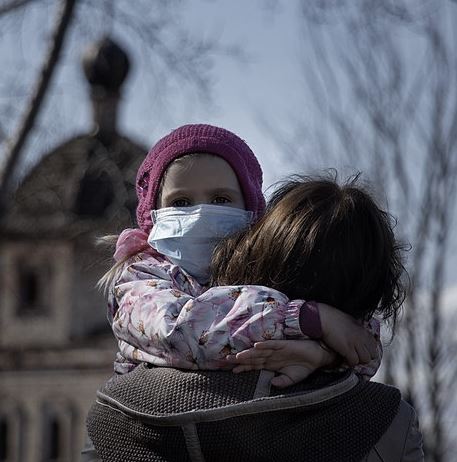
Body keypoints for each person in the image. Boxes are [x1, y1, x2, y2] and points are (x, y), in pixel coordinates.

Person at [85, 175, 423, 461]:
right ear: (371, 294)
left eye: (221, 199)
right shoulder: (388, 422)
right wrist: (326, 349)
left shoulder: (115, 415)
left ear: (257, 248)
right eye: (182, 202)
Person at [101, 123, 380, 386]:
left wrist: (320, 355)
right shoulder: (138, 277)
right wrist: (305, 320)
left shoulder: (263, 270)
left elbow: (363, 347)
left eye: (220, 199)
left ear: (251, 212)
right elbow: (181, 332)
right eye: (181, 202)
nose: (199, 215)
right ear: (154, 214)